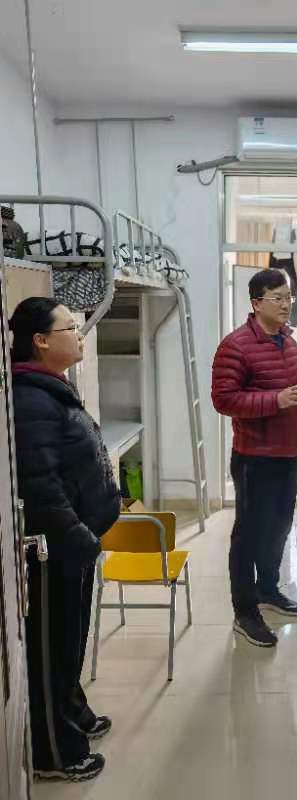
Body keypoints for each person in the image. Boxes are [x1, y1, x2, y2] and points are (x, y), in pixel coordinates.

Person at [10, 298, 120, 781]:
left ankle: (71, 710)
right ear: (40, 340)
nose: (79, 335)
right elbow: (40, 488)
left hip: (74, 546)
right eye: (70, 328)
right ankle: (53, 753)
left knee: (70, 640)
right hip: (54, 550)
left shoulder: (50, 388)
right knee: (51, 650)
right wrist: (79, 537)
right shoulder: (30, 400)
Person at [212, 269, 297, 648]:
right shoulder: (235, 346)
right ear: (256, 303)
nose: (286, 304)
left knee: (279, 529)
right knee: (249, 536)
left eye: (289, 297)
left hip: (288, 454)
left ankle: (268, 590)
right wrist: (275, 400)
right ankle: (245, 612)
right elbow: (224, 400)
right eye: (278, 298)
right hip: (254, 459)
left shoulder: (290, 343)